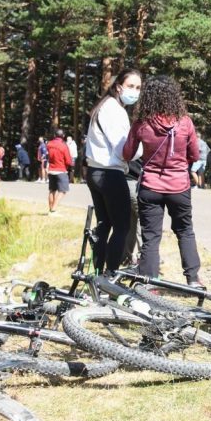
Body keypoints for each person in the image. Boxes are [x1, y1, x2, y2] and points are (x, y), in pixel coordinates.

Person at [122, 75, 202, 286]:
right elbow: (194, 154)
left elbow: (127, 154)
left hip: (150, 186)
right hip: (179, 186)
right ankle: (193, 279)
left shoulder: (141, 123)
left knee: (151, 236)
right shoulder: (185, 122)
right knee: (185, 230)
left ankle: (149, 282)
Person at [85, 68, 142, 274]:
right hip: (110, 173)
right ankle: (110, 275)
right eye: (130, 86)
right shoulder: (114, 110)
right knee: (121, 226)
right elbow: (123, 150)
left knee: (104, 225)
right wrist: (142, 148)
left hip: (96, 172)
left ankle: (98, 274)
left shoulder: (106, 106)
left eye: (138, 88)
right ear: (119, 87)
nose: (134, 91)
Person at [46, 129, 73, 214]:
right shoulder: (63, 146)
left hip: (51, 169)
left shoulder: (49, 144)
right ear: (63, 136)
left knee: (52, 190)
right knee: (63, 190)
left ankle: (50, 209)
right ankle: (54, 209)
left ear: (54, 135)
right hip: (61, 170)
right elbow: (68, 161)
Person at [122, 158, 143, 266]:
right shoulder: (139, 142)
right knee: (143, 218)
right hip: (135, 181)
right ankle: (142, 256)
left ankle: (127, 255)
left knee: (131, 220)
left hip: (124, 180)